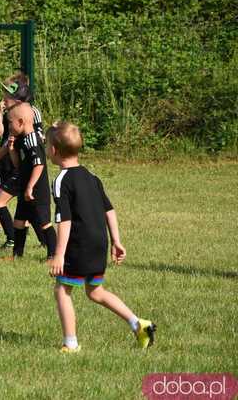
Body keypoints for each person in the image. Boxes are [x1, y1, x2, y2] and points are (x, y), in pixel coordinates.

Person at [46, 121, 156, 352]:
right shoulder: (92, 176)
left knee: (62, 290)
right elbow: (109, 209)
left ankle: (71, 343)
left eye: (47, 146)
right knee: (95, 291)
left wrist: (58, 254)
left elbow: (64, 221)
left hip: (79, 245)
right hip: (99, 243)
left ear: (54, 151)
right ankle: (138, 324)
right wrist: (116, 241)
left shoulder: (61, 181)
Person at [0, 79, 56, 261]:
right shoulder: (21, 138)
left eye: (10, 124)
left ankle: (53, 255)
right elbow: (19, 165)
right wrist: (10, 151)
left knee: (44, 223)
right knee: (18, 222)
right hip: (25, 185)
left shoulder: (33, 140)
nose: (8, 127)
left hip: (35, 190)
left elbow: (39, 164)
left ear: (20, 121)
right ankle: (16, 255)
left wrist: (29, 187)